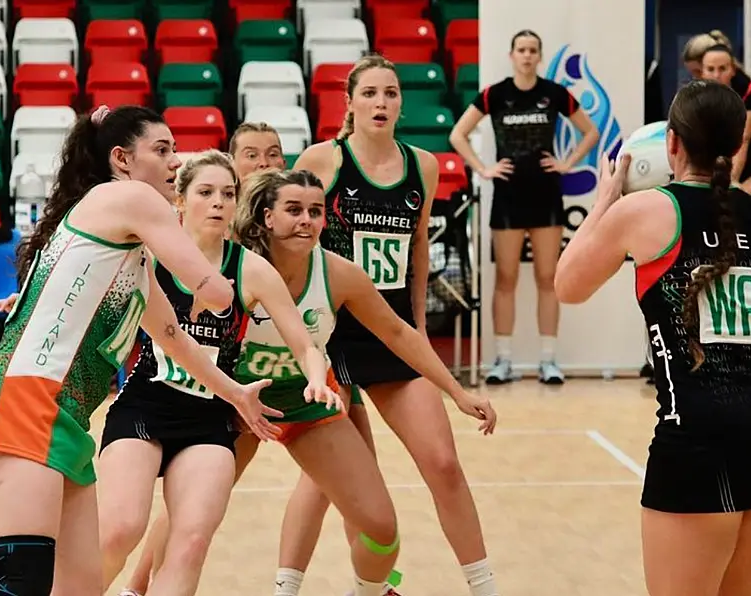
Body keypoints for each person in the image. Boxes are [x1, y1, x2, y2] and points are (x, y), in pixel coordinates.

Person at [0, 105, 284, 596]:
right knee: (21, 585)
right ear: (122, 159)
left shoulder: (127, 251)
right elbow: (214, 290)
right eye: (162, 149)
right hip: (25, 400)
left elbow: (174, 337)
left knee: (81, 589)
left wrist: (235, 393)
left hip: (65, 415)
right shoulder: (128, 197)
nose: (176, 162)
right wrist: (217, 281)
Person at [290, 53, 500, 596]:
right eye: (370, 93)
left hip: (393, 333)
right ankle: (295, 585)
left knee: (444, 464)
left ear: (401, 104)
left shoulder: (423, 166)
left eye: (391, 93)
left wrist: (420, 330)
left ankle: (483, 586)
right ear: (351, 103)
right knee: (336, 483)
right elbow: (294, 241)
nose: (381, 102)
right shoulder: (323, 159)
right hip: (332, 339)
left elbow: (419, 253)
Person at [95, 150, 340, 596]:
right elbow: (80, 281)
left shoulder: (249, 268)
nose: (218, 203)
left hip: (208, 420)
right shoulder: (147, 254)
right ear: (181, 201)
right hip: (143, 405)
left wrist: (316, 376)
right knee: (120, 529)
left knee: (190, 544)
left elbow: (304, 343)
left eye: (227, 194)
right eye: (205, 192)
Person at [555, 79, 751, 596]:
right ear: (736, 145)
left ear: (672, 144)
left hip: (694, 447)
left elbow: (567, 284)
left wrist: (604, 201)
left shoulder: (647, 211)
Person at [449, 29, 599, 384]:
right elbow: (457, 134)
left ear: (539, 56)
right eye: (521, 49)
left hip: (546, 195)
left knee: (548, 278)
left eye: (533, 50)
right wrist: (484, 169)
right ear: (512, 55)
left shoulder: (554, 94)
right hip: (507, 198)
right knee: (506, 278)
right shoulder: (495, 94)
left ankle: (548, 361)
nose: (527, 55)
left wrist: (567, 162)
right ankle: (503, 361)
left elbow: (590, 133)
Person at [699, 44, 751, 192]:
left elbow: (744, 139)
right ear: (701, 72)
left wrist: (732, 181)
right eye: (710, 69)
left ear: (733, 70)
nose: (716, 75)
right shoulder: (695, 100)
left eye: (722, 69)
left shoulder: (747, 94)